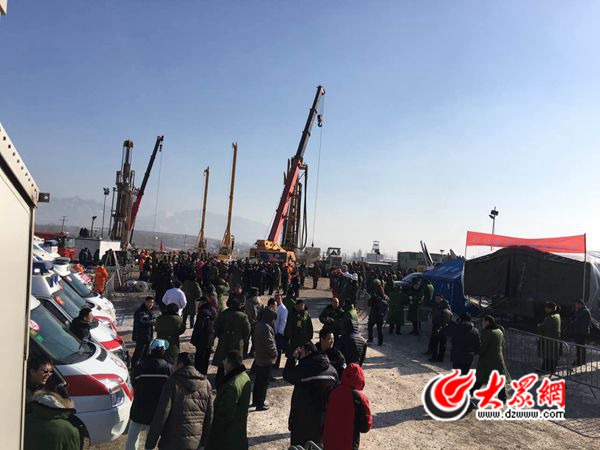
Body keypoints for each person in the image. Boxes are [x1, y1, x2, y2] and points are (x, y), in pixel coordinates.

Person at [144, 352, 213, 450]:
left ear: (180, 365)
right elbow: (209, 416)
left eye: (174, 363)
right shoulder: (206, 384)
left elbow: (162, 413)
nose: (172, 366)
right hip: (195, 442)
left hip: (172, 442)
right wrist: (204, 443)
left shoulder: (172, 382)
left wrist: (150, 443)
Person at [283, 342, 338, 447]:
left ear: (308, 352)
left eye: (302, 351)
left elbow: (287, 375)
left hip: (302, 419)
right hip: (323, 418)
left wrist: (292, 358)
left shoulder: (304, 369)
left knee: (299, 446)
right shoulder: (332, 370)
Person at [126, 339, 172, 450]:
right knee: (150, 439)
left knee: (132, 436)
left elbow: (133, 383)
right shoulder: (168, 368)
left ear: (151, 350)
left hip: (139, 406)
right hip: (156, 409)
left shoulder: (140, 366)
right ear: (163, 351)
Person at [207, 350, 252, 450]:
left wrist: (212, 430)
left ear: (230, 364)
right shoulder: (245, 377)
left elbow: (225, 414)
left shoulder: (232, 386)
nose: (223, 362)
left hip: (228, 436)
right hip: (239, 430)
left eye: (225, 361)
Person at [322, 363, 372, 450]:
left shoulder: (333, 390)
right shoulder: (359, 398)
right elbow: (365, 427)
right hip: (348, 444)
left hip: (329, 440)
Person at [472, 315, 510, 403]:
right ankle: (503, 397)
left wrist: (476, 351)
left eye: (483, 321)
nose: (482, 323)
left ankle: (469, 393)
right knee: (498, 378)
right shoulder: (499, 331)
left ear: (487, 322)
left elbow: (483, 347)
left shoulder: (487, 332)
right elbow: (503, 344)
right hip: (498, 359)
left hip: (487, 360)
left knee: (480, 378)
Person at [251, 303, 278, 410]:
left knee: (258, 381)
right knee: (263, 383)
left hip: (259, 357)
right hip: (266, 359)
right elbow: (270, 344)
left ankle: (256, 401)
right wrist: (275, 354)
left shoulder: (259, 325)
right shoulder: (266, 327)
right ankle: (260, 403)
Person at [212, 298, 252, 369]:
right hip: (237, 342)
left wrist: (221, 336)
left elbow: (216, 327)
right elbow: (247, 330)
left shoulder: (223, 314)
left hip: (224, 341)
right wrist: (242, 338)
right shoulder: (243, 316)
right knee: (236, 362)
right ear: (239, 306)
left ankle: (221, 374)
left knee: (223, 361)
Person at [190, 295, 217, 375]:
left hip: (201, 339)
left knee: (199, 358)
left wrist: (194, 340)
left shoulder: (202, 312)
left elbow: (199, 327)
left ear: (203, 302)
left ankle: (198, 374)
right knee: (206, 357)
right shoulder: (213, 310)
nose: (198, 303)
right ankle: (204, 373)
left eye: (200, 302)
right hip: (210, 338)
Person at [284, 299, 314, 369]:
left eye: (303, 305)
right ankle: (290, 369)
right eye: (300, 305)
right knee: (292, 356)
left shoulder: (306, 314)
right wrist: (288, 336)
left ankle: (301, 368)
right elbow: (288, 326)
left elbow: (309, 326)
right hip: (295, 339)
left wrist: (310, 336)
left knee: (303, 356)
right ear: (297, 306)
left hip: (304, 339)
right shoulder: (292, 314)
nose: (302, 306)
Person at [425, 294, 452, 362]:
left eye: (438, 299)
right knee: (439, 343)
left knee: (438, 343)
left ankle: (435, 357)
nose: (437, 300)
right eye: (436, 299)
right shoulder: (438, 305)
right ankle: (438, 357)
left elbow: (448, 316)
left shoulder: (443, 307)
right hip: (440, 326)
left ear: (442, 299)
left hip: (439, 326)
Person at [131, 296, 156, 369]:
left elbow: (153, 319)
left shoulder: (150, 311)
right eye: (149, 302)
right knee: (138, 354)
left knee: (146, 354)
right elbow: (140, 323)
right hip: (141, 336)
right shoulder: (140, 311)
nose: (151, 304)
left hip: (148, 336)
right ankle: (133, 368)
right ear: (145, 302)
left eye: (152, 302)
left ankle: (143, 368)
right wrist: (151, 322)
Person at [537, 302, 561, 374]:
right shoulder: (557, 315)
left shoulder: (551, 318)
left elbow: (543, 327)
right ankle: (548, 368)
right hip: (553, 338)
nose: (545, 309)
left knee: (549, 354)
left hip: (549, 338)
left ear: (550, 309)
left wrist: (538, 326)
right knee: (551, 354)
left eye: (547, 308)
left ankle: (547, 369)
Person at [571, 299, 592, 366]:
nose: (576, 305)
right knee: (579, 347)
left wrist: (575, 312)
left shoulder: (584, 311)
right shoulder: (582, 311)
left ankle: (581, 361)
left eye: (576, 304)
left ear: (580, 304)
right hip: (580, 331)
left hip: (581, 332)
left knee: (581, 347)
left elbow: (577, 320)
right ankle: (579, 360)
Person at [244, 287, 263, 357]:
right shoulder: (260, 302)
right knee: (255, 339)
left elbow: (247, 313)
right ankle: (252, 352)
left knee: (246, 338)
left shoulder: (248, 302)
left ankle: (244, 353)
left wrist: (251, 320)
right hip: (257, 323)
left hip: (249, 323)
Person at [274, 293, 289, 369]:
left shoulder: (283, 309)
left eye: (279, 298)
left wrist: (280, 332)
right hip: (274, 331)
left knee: (278, 348)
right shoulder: (275, 307)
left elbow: (283, 321)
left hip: (279, 332)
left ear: (281, 299)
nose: (277, 300)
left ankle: (276, 364)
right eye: (276, 298)